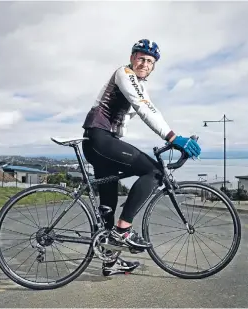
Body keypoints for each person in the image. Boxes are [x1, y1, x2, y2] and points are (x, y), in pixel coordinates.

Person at [81, 39, 201, 275]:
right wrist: (173, 137)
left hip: (102, 141)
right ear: (132, 57)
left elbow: (149, 109)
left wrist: (170, 136)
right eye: (141, 58)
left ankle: (110, 260)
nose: (145, 63)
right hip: (100, 138)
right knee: (154, 171)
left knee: (108, 204)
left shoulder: (138, 84)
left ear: (153, 67)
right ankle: (123, 230)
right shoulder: (124, 74)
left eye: (150, 61)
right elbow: (143, 108)